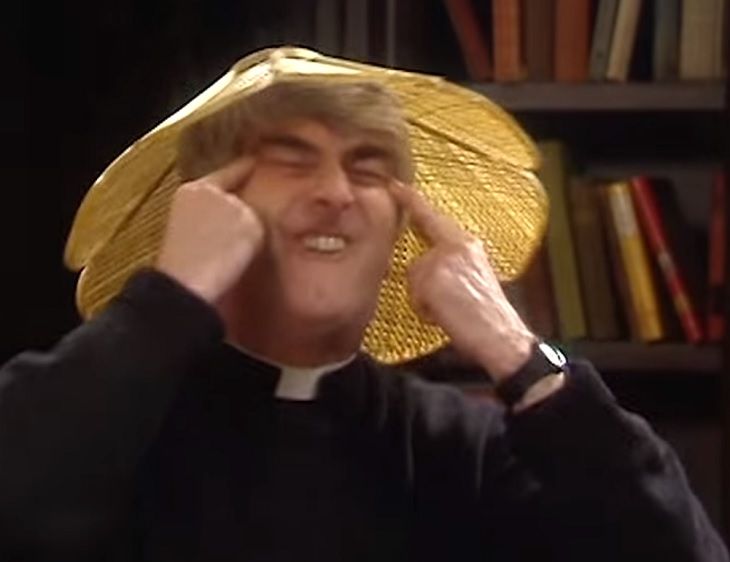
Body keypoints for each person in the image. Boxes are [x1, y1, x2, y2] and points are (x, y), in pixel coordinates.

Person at [0, 48, 727, 562]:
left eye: (369, 166)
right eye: (290, 159)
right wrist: (170, 300)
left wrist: (517, 350)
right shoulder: (112, 428)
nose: (336, 192)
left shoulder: (458, 448)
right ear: (213, 206)